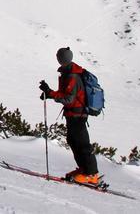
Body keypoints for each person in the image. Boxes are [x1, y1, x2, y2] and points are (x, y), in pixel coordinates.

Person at [40, 47, 101, 185]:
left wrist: (50, 93)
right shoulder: (69, 72)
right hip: (73, 114)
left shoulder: (72, 76)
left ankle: (91, 174)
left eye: (58, 56)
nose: (57, 58)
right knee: (73, 141)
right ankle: (84, 170)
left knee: (82, 144)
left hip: (77, 114)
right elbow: (66, 95)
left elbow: (69, 99)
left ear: (62, 58)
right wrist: (50, 93)